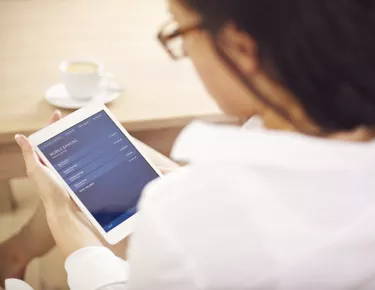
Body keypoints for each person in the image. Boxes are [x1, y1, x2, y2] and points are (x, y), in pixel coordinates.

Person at [4, 0, 375, 288]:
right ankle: (17, 250)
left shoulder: (186, 221)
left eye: (180, 34)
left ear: (241, 48)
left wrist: (61, 218)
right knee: (96, 150)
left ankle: (14, 256)